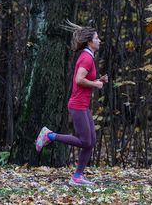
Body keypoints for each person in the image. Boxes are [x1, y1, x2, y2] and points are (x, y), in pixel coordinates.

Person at [35, 20, 108, 186]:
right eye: (97, 38)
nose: (99, 40)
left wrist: (98, 80)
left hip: (83, 105)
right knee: (85, 142)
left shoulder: (88, 56)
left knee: (91, 141)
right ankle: (49, 135)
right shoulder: (87, 58)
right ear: (90, 41)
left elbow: (84, 80)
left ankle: (78, 177)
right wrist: (96, 84)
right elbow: (79, 80)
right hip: (77, 105)